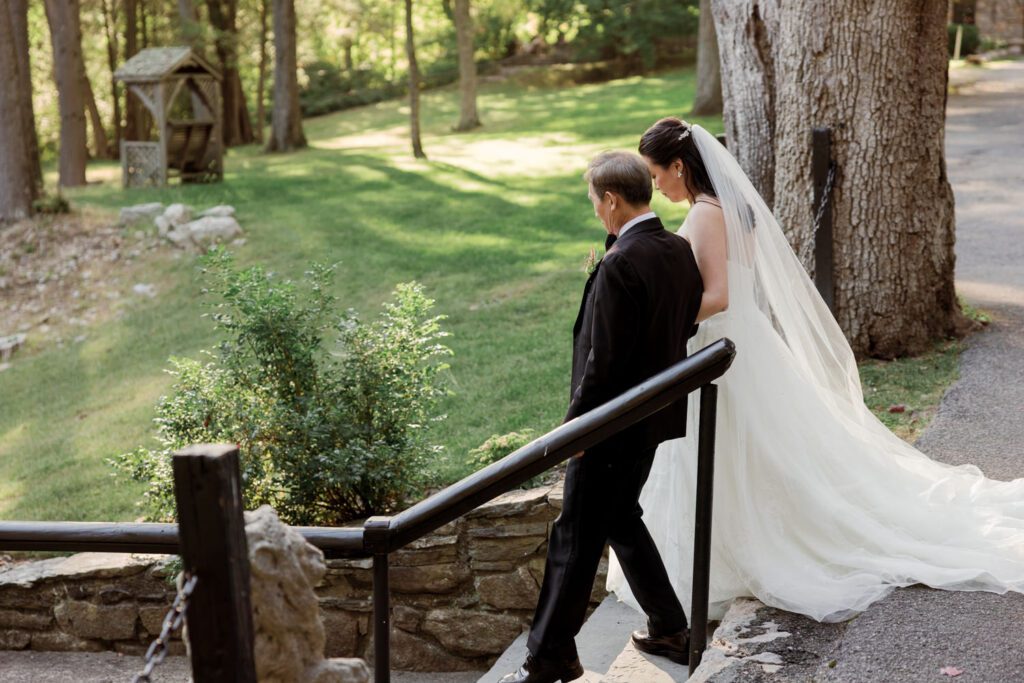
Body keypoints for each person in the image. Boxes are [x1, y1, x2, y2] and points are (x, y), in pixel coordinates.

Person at [607, 117, 1024, 630]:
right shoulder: (725, 208)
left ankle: (738, 554)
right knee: (755, 451)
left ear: (678, 166)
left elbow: (719, 295)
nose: (654, 186)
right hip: (742, 340)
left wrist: (659, 316)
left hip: (718, 345)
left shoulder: (706, 215)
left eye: (655, 174)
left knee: (733, 450)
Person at [499, 151, 704, 683]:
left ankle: (550, 659)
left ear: (612, 200)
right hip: (653, 417)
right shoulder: (677, 248)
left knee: (573, 536)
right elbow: (680, 324)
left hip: (610, 426)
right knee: (620, 517)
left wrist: (576, 430)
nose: (594, 211)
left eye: (595, 201)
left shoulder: (621, 263)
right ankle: (670, 627)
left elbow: (603, 364)